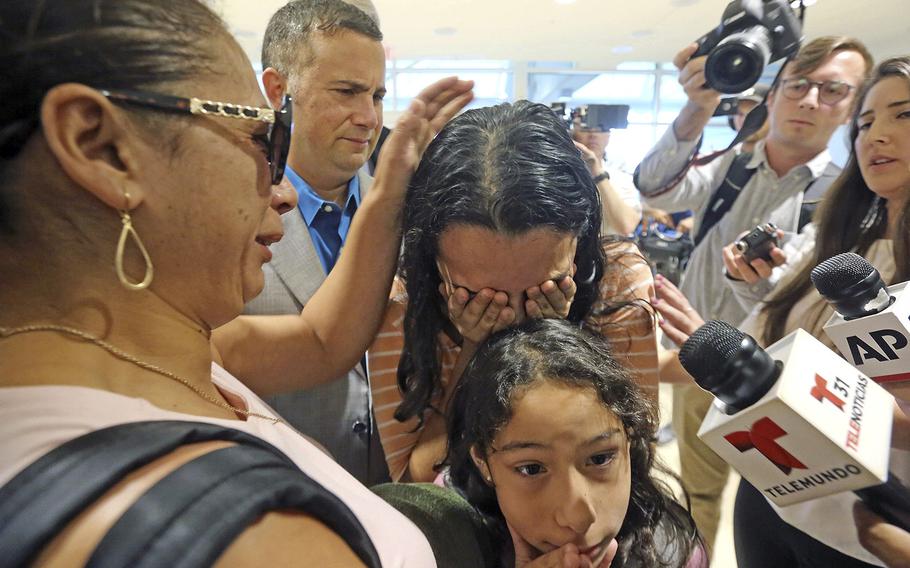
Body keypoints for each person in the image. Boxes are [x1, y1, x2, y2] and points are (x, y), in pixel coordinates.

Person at [0, 0, 471, 564]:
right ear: (102, 148)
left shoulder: (163, 355)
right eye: (261, 140)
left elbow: (324, 339)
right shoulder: (238, 537)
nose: (285, 191)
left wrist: (393, 181)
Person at [653, 55, 910, 568]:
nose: (875, 136)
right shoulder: (832, 240)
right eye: (866, 122)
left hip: (878, 521)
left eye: (902, 115)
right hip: (778, 489)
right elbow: (774, 337)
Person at [368, 100, 660, 483]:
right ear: (434, 260)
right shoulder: (401, 306)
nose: (513, 313)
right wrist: (476, 351)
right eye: (484, 297)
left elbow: (629, 466)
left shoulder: (617, 283)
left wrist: (555, 343)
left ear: (580, 240)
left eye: (545, 287)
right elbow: (416, 486)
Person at [241, 0, 392, 485]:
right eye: (347, 92)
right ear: (278, 90)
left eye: (378, 95)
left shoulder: (408, 214)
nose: (369, 117)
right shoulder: (228, 220)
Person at [443, 318, 702, 568]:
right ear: (482, 462)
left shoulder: (672, 552)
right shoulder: (439, 549)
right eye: (531, 469)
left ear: (629, 440)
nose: (579, 518)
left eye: (600, 459)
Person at [572, 121, 642, 235]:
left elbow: (626, 226)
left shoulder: (622, 179)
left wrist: (597, 172)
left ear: (608, 136)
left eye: (600, 129)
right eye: (585, 128)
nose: (593, 134)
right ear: (573, 133)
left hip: (606, 250)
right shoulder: (559, 176)